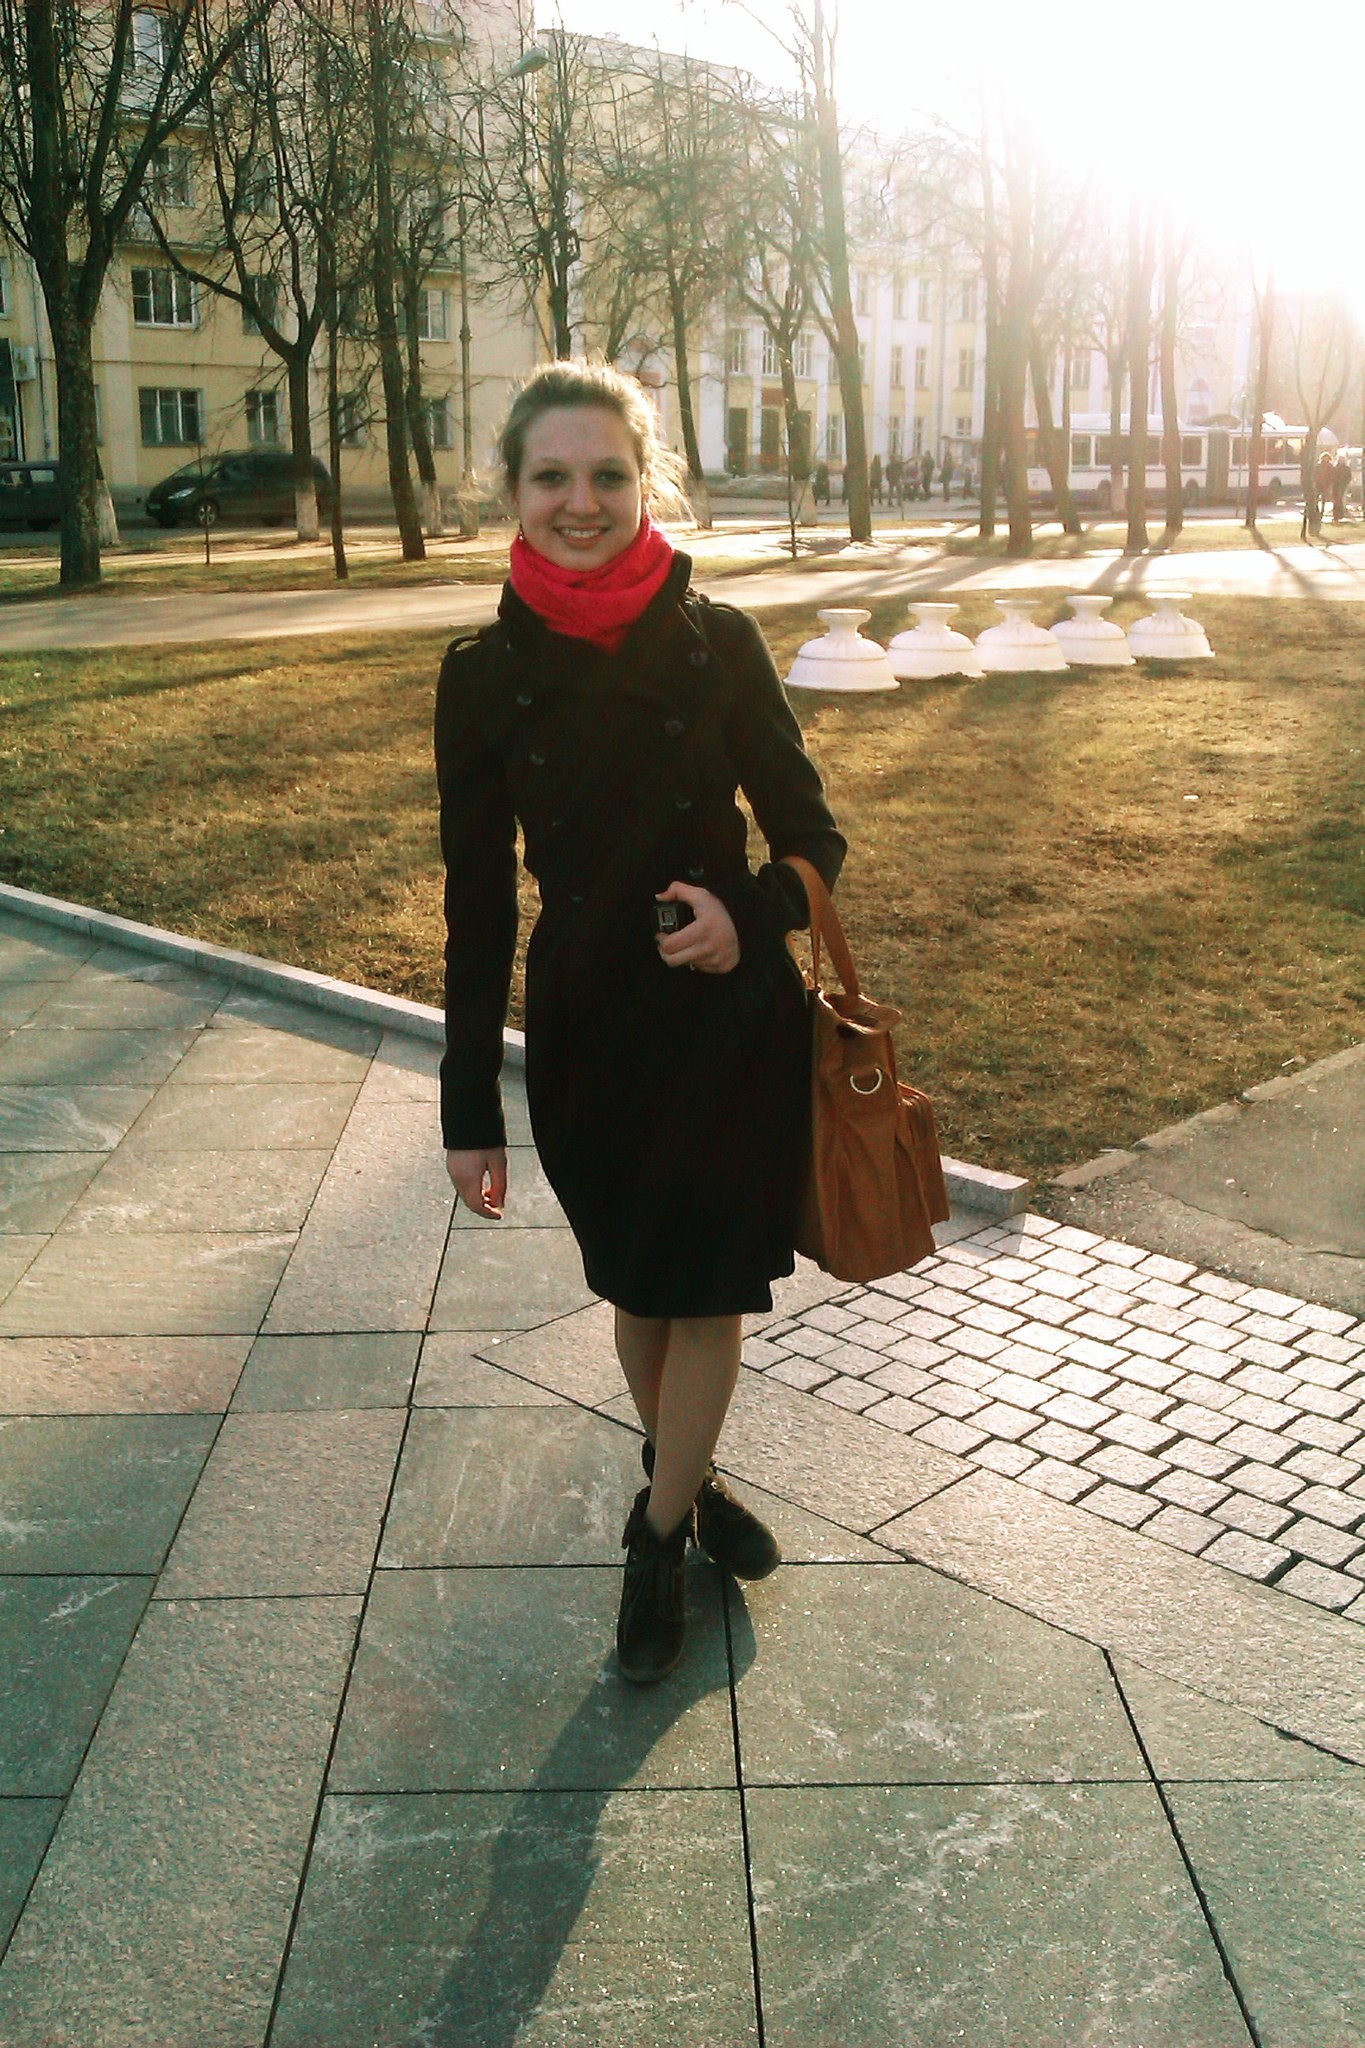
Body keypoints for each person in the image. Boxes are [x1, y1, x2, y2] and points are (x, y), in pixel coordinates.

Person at [436, 362, 846, 1685]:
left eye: (609, 474)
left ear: (647, 481)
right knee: (639, 1290)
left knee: (708, 1291)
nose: (582, 501)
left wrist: (749, 912)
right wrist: (466, 1107)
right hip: (587, 1032)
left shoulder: (718, 641)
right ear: (510, 490)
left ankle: (655, 1539)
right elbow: (474, 906)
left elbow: (813, 838)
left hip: (727, 1028)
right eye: (552, 476)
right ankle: (694, 1482)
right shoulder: (480, 674)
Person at [1332, 451, 1351, 522]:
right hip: (1336, 485)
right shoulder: (1336, 468)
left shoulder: (1344, 468)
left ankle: (1338, 514)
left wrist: (1345, 483)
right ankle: (1337, 514)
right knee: (1337, 500)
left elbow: (1348, 477)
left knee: (1339, 499)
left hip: (1341, 485)